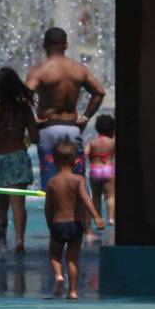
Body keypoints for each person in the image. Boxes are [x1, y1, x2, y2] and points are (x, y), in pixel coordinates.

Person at [25, 27, 106, 193]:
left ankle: (56, 218)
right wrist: (85, 117)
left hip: (48, 129)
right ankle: (79, 218)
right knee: (78, 183)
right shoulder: (78, 69)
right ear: (66, 45)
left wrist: (31, 120)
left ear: (44, 45)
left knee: (51, 186)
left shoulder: (40, 71)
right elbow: (99, 92)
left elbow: (22, 97)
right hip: (72, 128)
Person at [0, 67, 40, 256]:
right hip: (17, 157)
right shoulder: (24, 109)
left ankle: (1, 244)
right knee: (18, 204)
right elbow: (34, 137)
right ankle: (19, 240)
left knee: (0, 207)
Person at [45, 140, 105, 299]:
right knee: (72, 259)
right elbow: (86, 199)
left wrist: (49, 224)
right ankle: (72, 291)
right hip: (75, 225)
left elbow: (48, 207)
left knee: (54, 255)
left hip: (58, 224)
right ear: (76, 160)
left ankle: (58, 276)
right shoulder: (79, 180)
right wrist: (97, 217)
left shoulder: (52, 182)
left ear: (53, 160)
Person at [86, 114, 116, 227]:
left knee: (96, 196)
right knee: (110, 196)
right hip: (108, 169)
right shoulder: (112, 142)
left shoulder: (92, 142)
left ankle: (98, 218)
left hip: (95, 170)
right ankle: (111, 219)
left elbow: (84, 154)